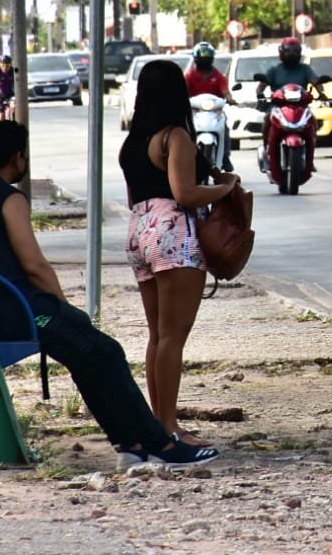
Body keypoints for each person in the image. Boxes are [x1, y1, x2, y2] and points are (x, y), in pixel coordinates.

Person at [0, 119, 218, 471]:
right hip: (18, 310)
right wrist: (63, 307)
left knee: (89, 352)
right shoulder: (9, 198)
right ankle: (161, 445)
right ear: (17, 157)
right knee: (104, 350)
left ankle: (131, 445)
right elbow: (34, 265)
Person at [119, 58, 243, 446]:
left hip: (140, 229)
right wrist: (227, 188)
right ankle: (170, 428)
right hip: (173, 232)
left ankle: (158, 424)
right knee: (174, 337)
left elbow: (132, 198)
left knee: (157, 335)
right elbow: (184, 193)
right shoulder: (175, 137)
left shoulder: (134, 142)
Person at [255, 36, 319, 177]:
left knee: (313, 122)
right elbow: (261, 86)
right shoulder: (274, 70)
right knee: (267, 119)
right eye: (288, 51)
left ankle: (309, 155)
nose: (291, 54)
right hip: (278, 107)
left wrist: (323, 94)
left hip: (301, 108)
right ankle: (267, 150)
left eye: (295, 51)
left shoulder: (305, 69)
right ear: (281, 53)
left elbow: (316, 82)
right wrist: (260, 96)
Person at [184, 41, 232, 171]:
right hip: (195, 111)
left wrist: (230, 99)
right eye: (201, 57)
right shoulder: (189, 76)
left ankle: (225, 156)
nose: (204, 60)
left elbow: (225, 92)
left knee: (225, 127)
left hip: (215, 112)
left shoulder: (218, 76)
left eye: (207, 57)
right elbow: (182, 91)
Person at [0, 54, 17, 120]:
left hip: (10, 94)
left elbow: (19, 83)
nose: (5, 68)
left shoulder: (13, 71)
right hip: (0, 95)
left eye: (7, 66)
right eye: (3, 65)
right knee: (1, 116)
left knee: (14, 107)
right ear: (0, 65)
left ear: (10, 65)